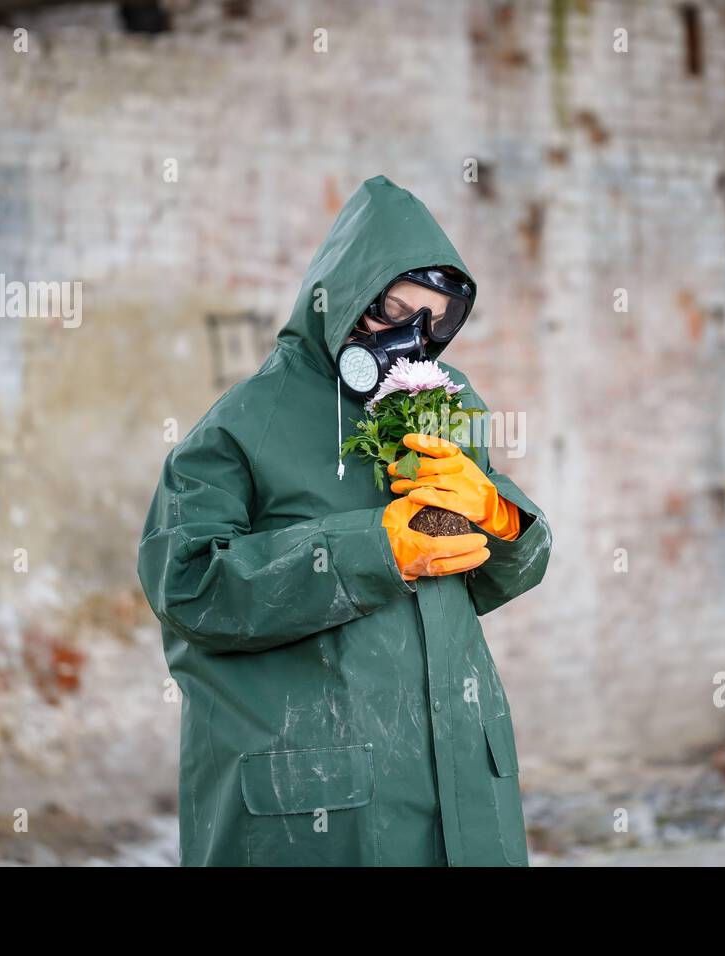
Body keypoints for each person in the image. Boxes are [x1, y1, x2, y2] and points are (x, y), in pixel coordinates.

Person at [136, 174, 552, 866]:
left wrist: (499, 516)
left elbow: (480, 580)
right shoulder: (245, 423)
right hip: (322, 807)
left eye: (431, 321)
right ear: (343, 295)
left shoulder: (444, 409)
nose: (408, 338)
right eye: (392, 309)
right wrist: (372, 550)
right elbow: (188, 588)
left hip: (460, 796)